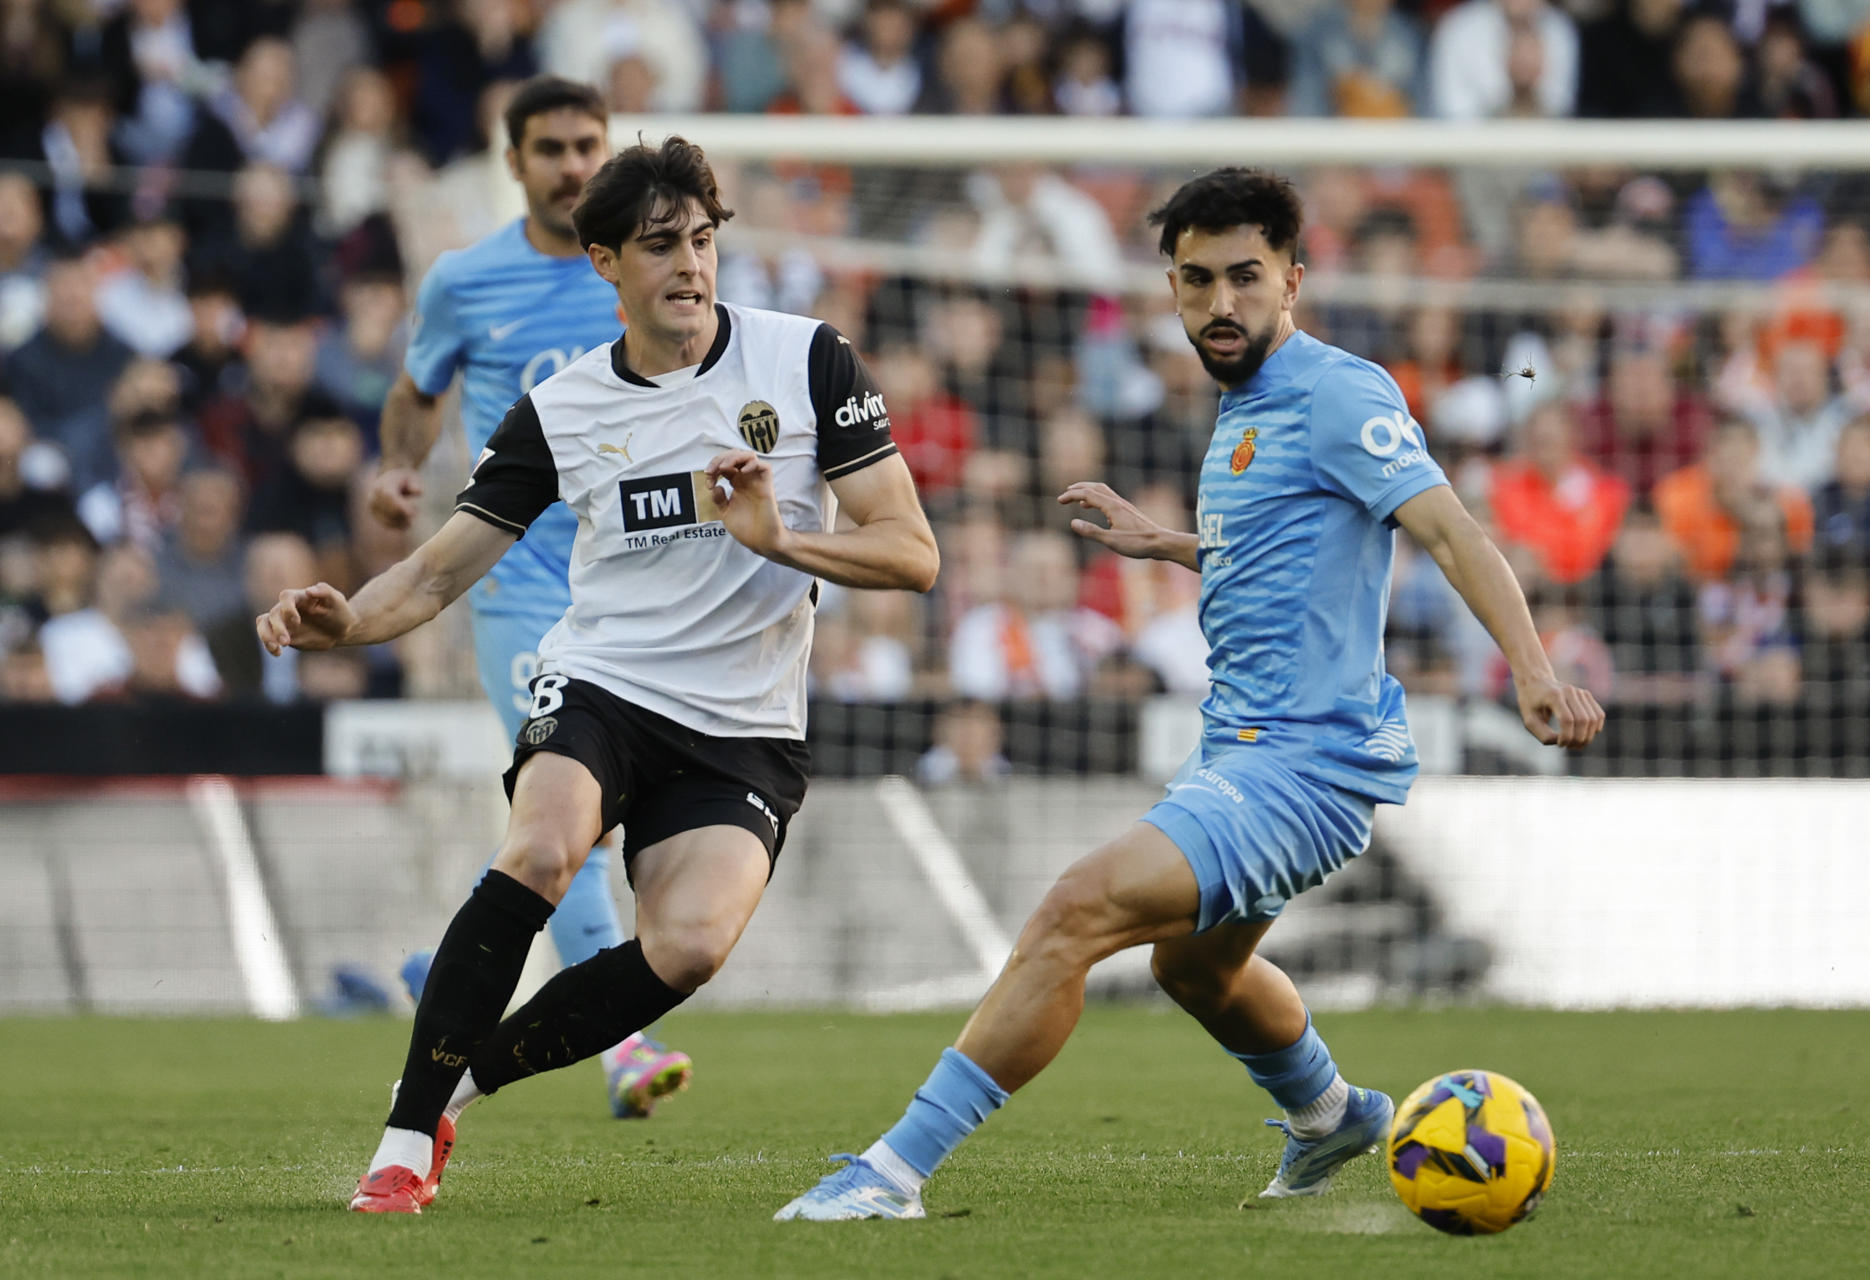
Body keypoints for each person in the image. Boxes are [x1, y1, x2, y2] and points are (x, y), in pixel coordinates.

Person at [776, 167, 1604, 1221]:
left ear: (1293, 278)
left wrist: (1532, 672)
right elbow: (1287, 546)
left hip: (1307, 759)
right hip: (1242, 747)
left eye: (1246, 277)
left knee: (1073, 910)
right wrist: (1167, 542)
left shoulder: (1340, 389)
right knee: (1194, 969)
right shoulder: (1244, 411)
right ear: (1168, 289)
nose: (1222, 303)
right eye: (1197, 279)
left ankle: (888, 1172)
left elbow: (1448, 529)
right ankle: (1333, 1112)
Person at [258, 133, 938, 1214]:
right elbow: (438, 572)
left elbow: (913, 551)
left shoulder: (809, 361)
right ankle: (398, 1138)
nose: (690, 265)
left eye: (704, 240)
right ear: (606, 264)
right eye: (660, 244)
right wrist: (344, 622)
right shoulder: (564, 410)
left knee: (690, 945)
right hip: (603, 686)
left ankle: (451, 1088)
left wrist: (779, 542)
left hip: (746, 722)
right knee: (540, 847)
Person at [361, 75, 696, 1122]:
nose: (569, 164)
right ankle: (625, 1046)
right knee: (568, 819)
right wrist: (401, 470)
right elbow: (419, 389)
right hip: (515, 580)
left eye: (585, 143)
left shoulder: (638, 273)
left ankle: (443, 965)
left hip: (633, 585)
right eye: (548, 147)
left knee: (572, 826)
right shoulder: (467, 280)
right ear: (513, 162)